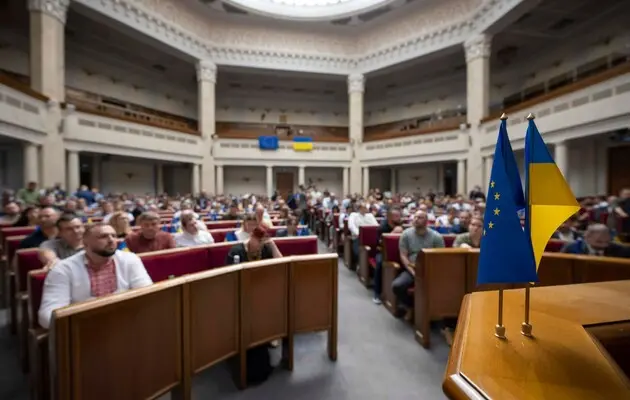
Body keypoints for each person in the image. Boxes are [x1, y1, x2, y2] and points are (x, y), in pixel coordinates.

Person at [38, 223, 153, 329]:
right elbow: (48, 317)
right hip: (83, 329)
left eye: (113, 235)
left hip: (126, 323)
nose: (111, 240)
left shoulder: (130, 259)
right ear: (85, 243)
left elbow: (147, 295)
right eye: (103, 236)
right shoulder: (63, 269)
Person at [225, 225, 283, 385]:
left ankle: (269, 336)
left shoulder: (265, 249)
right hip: (238, 296)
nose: (259, 246)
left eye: (262, 242)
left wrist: (272, 244)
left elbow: (282, 264)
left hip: (262, 295)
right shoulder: (236, 251)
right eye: (257, 241)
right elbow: (228, 278)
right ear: (250, 238)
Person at [393, 210, 445, 320]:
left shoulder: (436, 237)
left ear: (426, 221)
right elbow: (403, 255)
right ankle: (411, 307)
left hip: (431, 270)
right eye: (415, 217)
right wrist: (412, 271)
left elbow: (441, 258)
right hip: (412, 268)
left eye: (420, 217)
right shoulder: (406, 234)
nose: (416, 219)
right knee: (397, 286)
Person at [373, 207, 403, 305]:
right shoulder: (382, 228)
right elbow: (380, 244)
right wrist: (393, 233)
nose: (399, 218)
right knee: (379, 264)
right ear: (390, 218)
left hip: (400, 252)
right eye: (396, 216)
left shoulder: (401, 225)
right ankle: (377, 293)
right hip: (382, 252)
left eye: (399, 216)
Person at [561, 224, 630, 258]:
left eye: (607, 241)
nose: (604, 245)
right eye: (599, 241)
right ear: (587, 238)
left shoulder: (620, 250)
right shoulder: (571, 248)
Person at [347, 202, 378, 270]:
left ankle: (372, 266)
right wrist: (360, 234)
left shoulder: (370, 215)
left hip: (370, 237)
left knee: (377, 250)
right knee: (358, 251)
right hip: (358, 237)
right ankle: (360, 265)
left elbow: (376, 226)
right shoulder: (353, 215)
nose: (366, 209)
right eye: (364, 208)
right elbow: (351, 226)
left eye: (366, 208)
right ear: (360, 208)